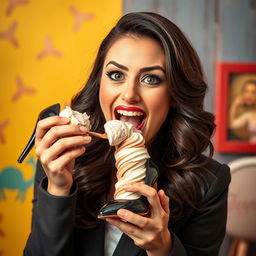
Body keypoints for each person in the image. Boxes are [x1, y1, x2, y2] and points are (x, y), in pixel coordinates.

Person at [24, 12, 230, 256]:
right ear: (100, 82)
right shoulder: (64, 158)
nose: (129, 94)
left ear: (174, 94)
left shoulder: (208, 183)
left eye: (151, 78)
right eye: (116, 75)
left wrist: (162, 247)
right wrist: (58, 188)